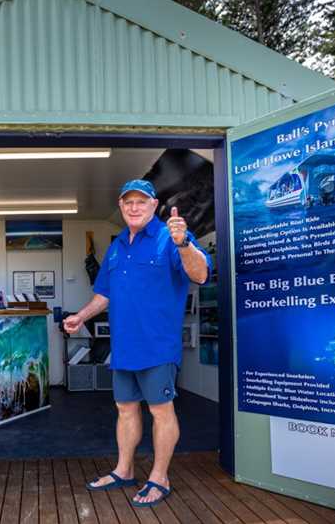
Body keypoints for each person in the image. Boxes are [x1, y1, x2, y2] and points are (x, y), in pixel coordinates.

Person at [63, 179, 211, 508]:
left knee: (161, 411)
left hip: (157, 346)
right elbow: (105, 293)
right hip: (125, 347)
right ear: (120, 205)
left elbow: (200, 275)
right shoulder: (117, 246)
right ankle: (124, 470)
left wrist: (183, 242)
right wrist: (82, 316)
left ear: (154, 205)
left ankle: (160, 478)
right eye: (128, 202)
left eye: (141, 202)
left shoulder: (170, 237)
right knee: (125, 409)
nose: (134, 207)